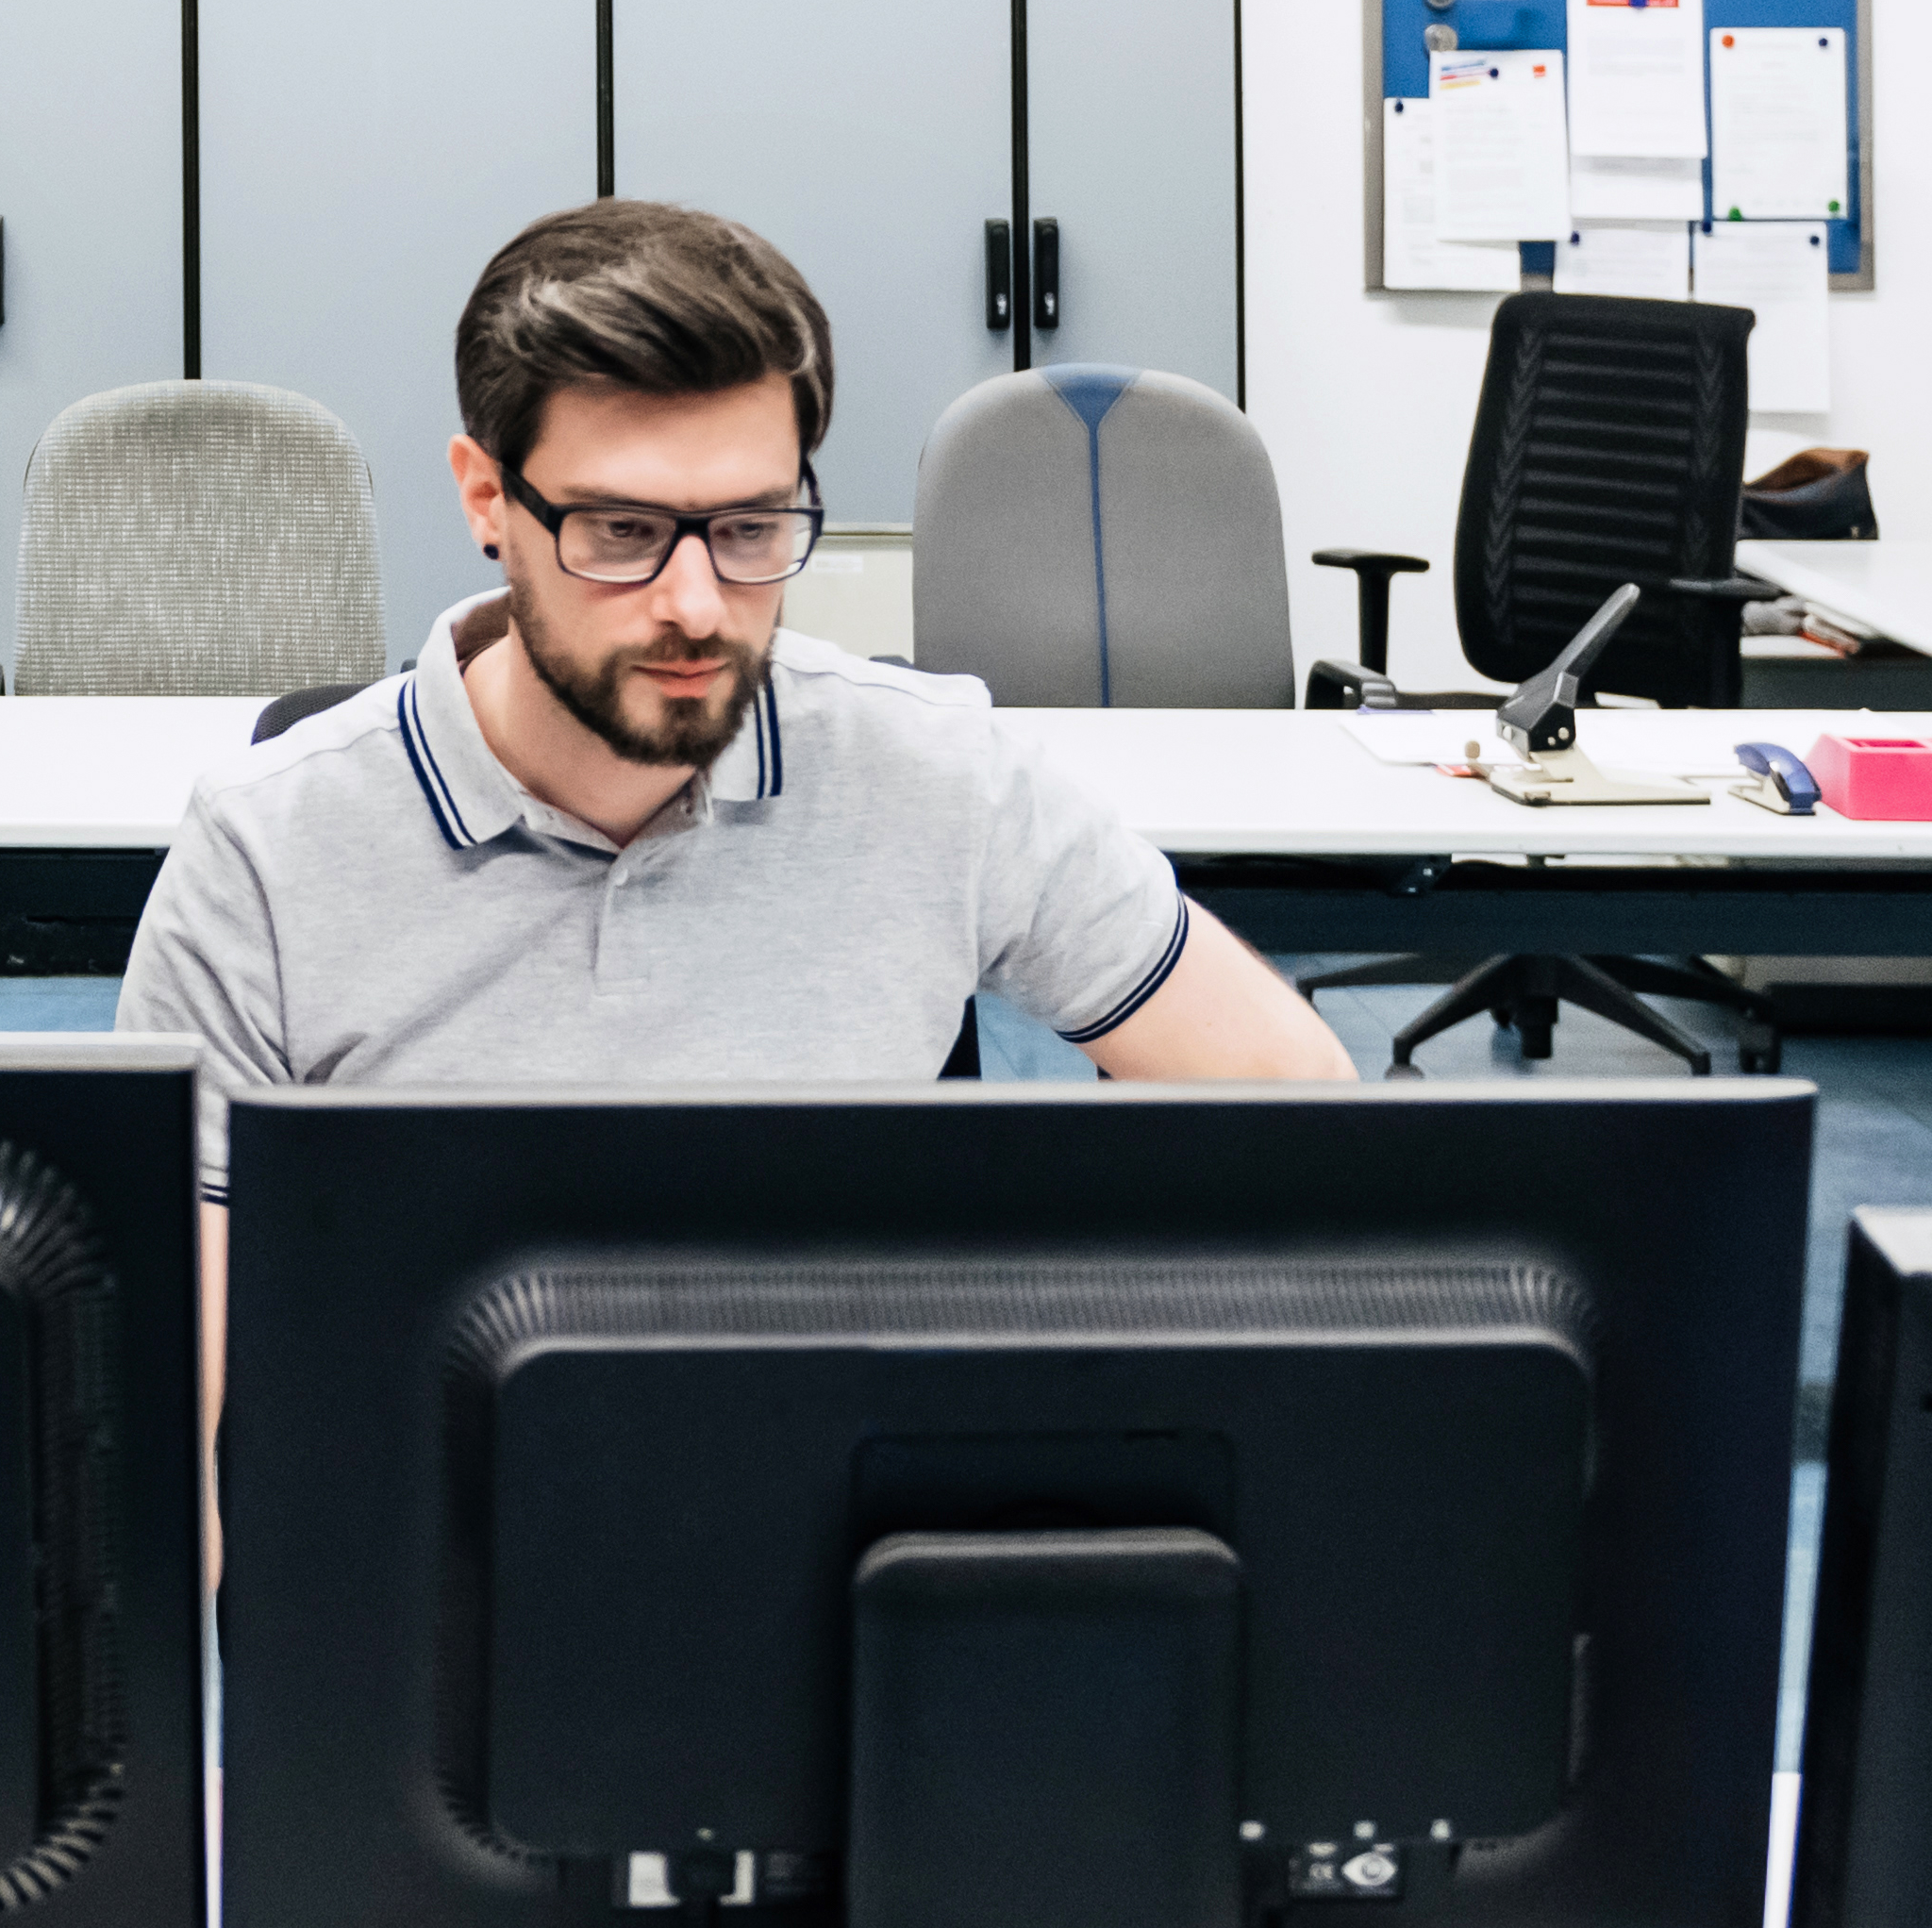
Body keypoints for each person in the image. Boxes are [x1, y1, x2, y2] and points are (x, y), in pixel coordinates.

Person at [123, 195, 1351, 1230]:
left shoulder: (939, 775)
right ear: (487, 497)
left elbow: (1300, 1110)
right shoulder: (264, 853)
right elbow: (185, 1378)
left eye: (751, 528)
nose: (697, 605)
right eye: (622, 531)